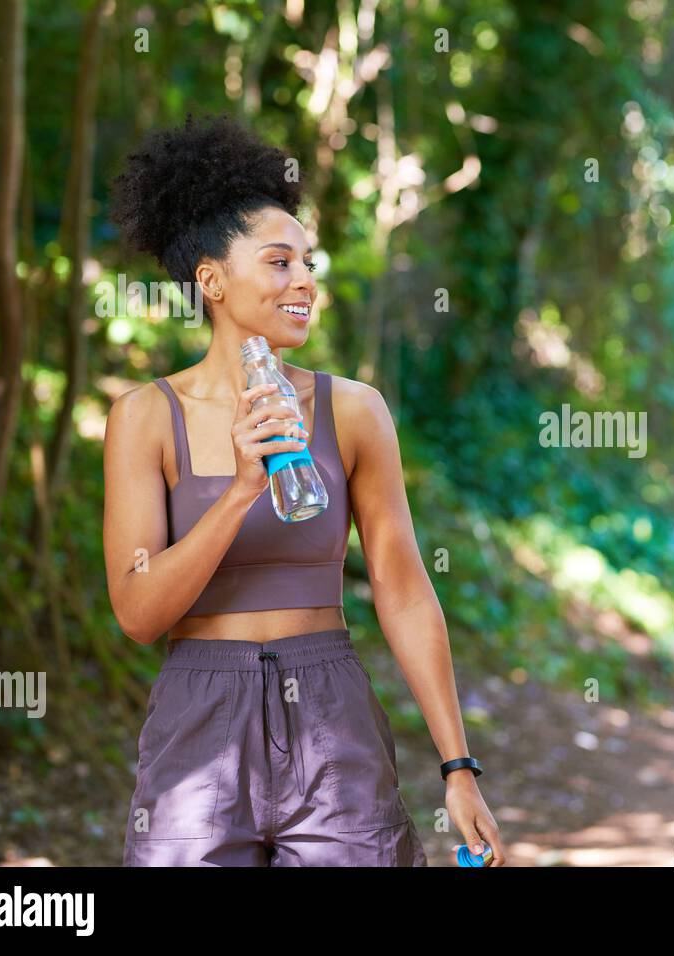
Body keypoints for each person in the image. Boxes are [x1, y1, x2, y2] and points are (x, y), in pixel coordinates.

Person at [102, 113, 505, 866]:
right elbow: (137, 612)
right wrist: (238, 491)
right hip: (198, 721)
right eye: (280, 262)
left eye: (308, 263)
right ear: (212, 280)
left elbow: (405, 590)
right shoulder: (144, 418)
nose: (305, 282)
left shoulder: (354, 411)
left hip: (330, 715)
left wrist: (458, 768)